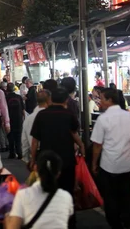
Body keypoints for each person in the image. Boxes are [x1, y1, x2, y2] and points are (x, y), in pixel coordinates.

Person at [30, 87, 85, 228]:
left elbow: (35, 141)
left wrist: (32, 159)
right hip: (66, 160)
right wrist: (82, 146)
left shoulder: (42, 115)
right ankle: (69, 221)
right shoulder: (68, 114)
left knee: (46, 191)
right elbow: (74, 133)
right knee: (67, 191)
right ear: (66, 100)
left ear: (51, 99)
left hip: (46, 160)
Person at [91, 88, 130, 229]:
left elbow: (97, 145)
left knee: (111, 198)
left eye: (102, 99)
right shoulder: (129, 116)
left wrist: (94, 163)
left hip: (109, 165)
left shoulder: (103, 119)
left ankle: (116, 224)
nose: (100, 102)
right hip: (127, 165)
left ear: (109, 100)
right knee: (126, 197)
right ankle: (129, 223)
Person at [5, 150, 74, 229]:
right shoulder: (66, 197)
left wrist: (7, 218)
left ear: (36, 169)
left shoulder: (23, 195)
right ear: (59, 173)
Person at [22, 90, 51, 163]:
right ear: (49, 100)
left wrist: (26, 159)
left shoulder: (29, 118)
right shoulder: (51, 116)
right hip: (50, 154)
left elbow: (24, 141)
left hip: (35, 155)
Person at [5, 82, 25, 159]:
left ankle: (12, 153)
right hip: (19, 119)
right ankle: (19, 153)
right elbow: (23, 109)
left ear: (7, 89)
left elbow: (4, 109)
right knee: (18, 137)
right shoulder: (19, 97)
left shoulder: (6, 98)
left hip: (9, 119)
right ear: (14, 88)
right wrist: (23, 118)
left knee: (10, 137)